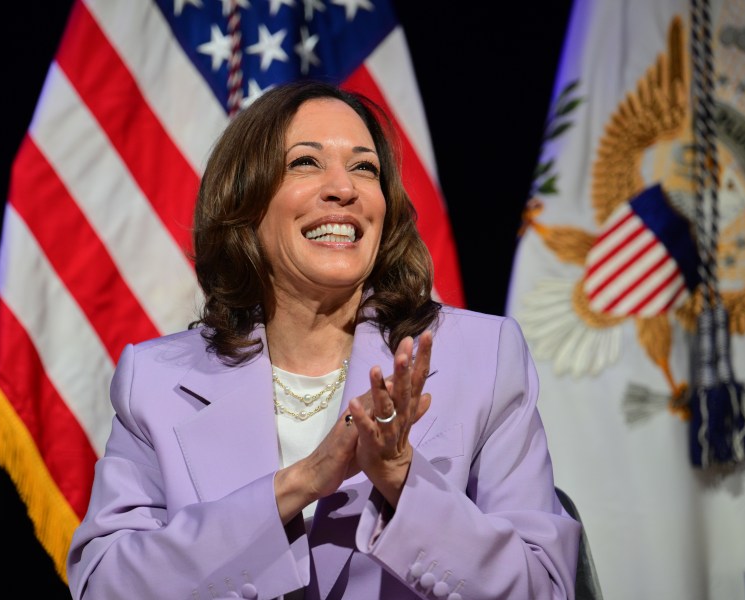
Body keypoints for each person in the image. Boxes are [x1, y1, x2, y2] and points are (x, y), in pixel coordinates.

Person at [66, 80, 581, 600]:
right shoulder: (157, 382)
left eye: (365, 168)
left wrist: (403, 480)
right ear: (245, 202)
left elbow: (544, 586)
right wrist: (298, 484)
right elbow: (105, 585)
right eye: (306, 163)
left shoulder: (481, 358)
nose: (345, 188)